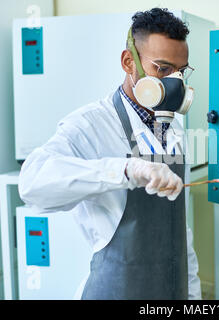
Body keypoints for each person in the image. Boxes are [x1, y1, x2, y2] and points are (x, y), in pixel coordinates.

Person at [18, 8, 201, 300]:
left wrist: (192, 297)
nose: (174, 83)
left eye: (181, 72)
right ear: (129, 63)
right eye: (162, 69)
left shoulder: (175, 131)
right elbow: (31, 184)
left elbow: (181, 233)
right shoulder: (90, 125)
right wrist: (125, 171)